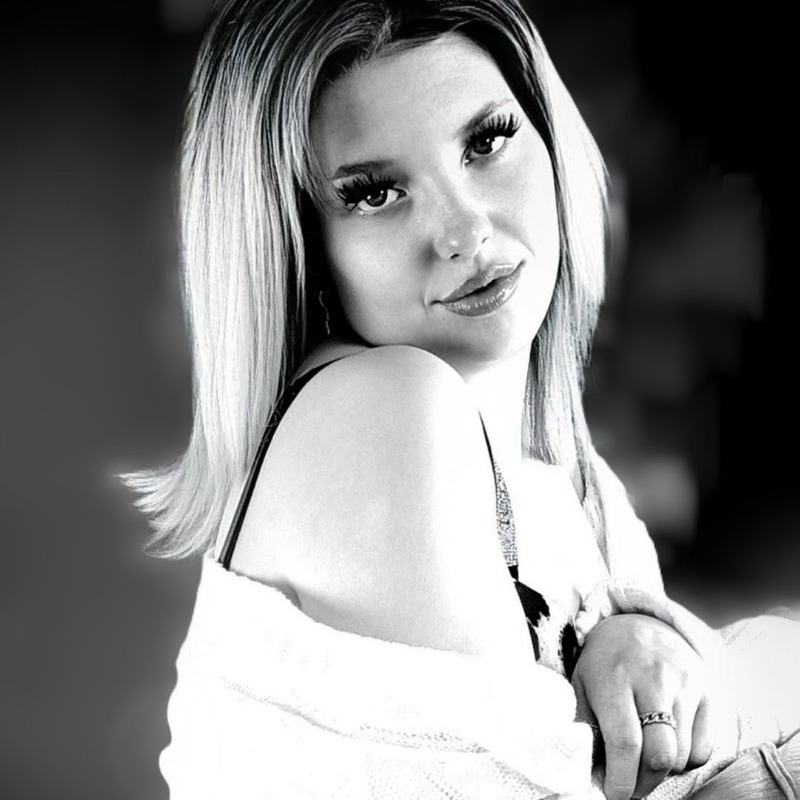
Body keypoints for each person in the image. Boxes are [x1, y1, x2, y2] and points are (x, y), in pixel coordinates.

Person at [124, 0, 800, 798]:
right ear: (301, 245)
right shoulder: (379, 416)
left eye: (487, 142)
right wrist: (742, 683)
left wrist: (694, 668)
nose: (465, 229)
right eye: (375, 193)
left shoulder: (580, 496)